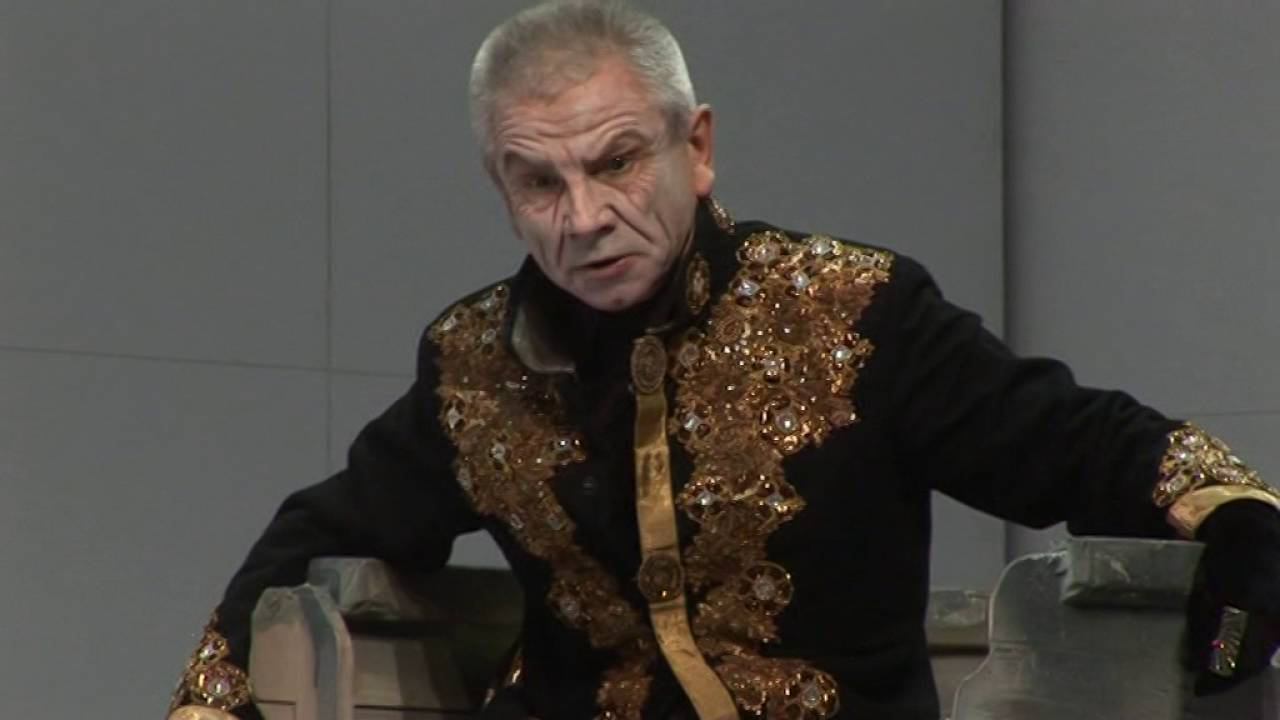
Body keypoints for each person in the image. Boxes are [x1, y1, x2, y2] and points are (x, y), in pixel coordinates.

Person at [166, 2, 1280, 719]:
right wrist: (210, 703)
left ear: (694, 148)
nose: (583, 218)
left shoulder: (851, 309)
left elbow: (1073, 441)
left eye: (616, 163)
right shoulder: (473, 364)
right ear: (500, 188)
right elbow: (324, 530)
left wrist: (1235, 517)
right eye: (539, 183)